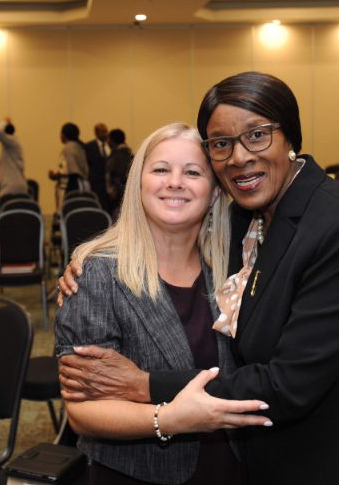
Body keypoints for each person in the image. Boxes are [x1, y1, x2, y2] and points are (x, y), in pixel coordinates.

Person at [58, 71, 339, 484]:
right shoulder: (242, 229)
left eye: (257, 135)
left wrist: (144, 385)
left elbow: (287, 383)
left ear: (290, 137)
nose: (238, 156)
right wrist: (85, 261)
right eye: (221, 144)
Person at [56, 123, 270, 484]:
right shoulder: (96, 274)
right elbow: (83, 411)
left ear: (215, 192)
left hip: (230, 467)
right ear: (138, 184)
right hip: (136, 475)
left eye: (192, 172)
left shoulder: (235, 269)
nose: (175, 182)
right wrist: (167, 419)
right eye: (160, 169)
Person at [49, 123, 89, 209]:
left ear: (64, 135)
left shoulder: (68, 148)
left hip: (70, 185)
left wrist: (54, 174)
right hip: (81, 183)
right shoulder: (79, 146)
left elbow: (66, 170)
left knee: (67, 210)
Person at [0, 117, 28, 199]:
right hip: (14, 185)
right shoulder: (10, 145)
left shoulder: (12, 142)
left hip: (12, 188)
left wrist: (4, 121)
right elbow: (11, 165)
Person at [105, 128, 133, 217]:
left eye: (109, 139)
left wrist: (112, 191)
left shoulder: (119, 154)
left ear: (112, 140)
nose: (107, 142)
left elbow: (119, 174)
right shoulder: (128, 153)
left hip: (118, 195)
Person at [84, 123, 111, 210]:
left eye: (106, 131)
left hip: (110, 183)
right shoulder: (89, 146)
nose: (105, 134)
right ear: (96, 133)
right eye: (102, 132)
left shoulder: (111, 144)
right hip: (96, 183)